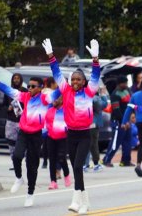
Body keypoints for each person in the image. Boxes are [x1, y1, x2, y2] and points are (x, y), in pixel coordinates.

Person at [43, 38, 100, 214]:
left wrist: (96, 59)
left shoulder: (89, 91)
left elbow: (96, 76)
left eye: (78, 79)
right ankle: (85, 202)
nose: (75, 81)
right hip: (71, 134)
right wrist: (51, 56)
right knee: (77, 171)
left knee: (77, 167)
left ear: (84, 82)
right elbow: (56, 72)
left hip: (84, 135)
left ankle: (76, 201)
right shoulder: (65, 90)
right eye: (73, 79)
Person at [0, 76, 58, 207]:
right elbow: (7, 90)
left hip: (36, 135)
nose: (30, 89)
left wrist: (64, 84)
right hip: (23, 132)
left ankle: (30, 193)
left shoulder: (45, 99)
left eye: (33, 86)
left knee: (31, 166)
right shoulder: (25, 96)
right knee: (16, 156)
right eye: (29, 86)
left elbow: (59, 92)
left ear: (40, 88)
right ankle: (19, 178)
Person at [103, 76, 133, 167]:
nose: (126, 85)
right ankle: (106, 159)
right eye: (124, 83)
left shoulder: (127, 91)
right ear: (119, 84)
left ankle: (125, 160)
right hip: (118, 121)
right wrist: (123, 121)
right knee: (116, 142)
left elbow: (131, 104)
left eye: (127, 83)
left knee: (128, 141)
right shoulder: (115, 94)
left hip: (127, 121)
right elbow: (116, 110)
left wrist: (130, 118)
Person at [45, 95, 71, 190]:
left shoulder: (67, 110)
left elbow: (71, 122)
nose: (54, 100)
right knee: (51, 160)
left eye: (57, 98)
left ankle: (67, 175)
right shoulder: (50, 110)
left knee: (61, 157)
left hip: (63, 138)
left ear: (62, 99)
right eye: (53, 98)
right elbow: (46, 124)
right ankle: (53, 182)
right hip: (51, 137)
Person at [3, 73, 27, 171]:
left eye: (18, 78)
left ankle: (22, 159)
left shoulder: (25, 91)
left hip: (22, 121)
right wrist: (8, 108)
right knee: (10, 141)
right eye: (14, 78)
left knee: (21, 142)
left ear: (21, 80)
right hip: (11, 121)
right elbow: (3, 104)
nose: (16, 80)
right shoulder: (8, 91)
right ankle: (14, 163)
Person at [84, 86, 108, 173]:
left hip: (85, 122)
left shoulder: (83, 96)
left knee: (88, 143)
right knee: (92, 144)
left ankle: (87, 163)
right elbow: (102, 105)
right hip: (92, 123)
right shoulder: (94, 98)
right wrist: (103, 95)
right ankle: (92, 163)